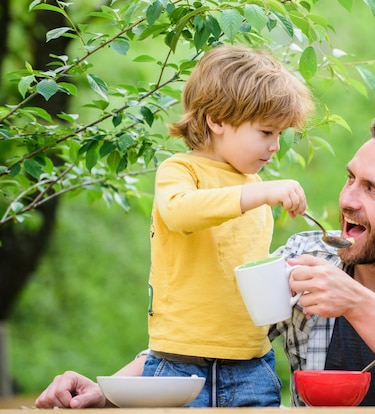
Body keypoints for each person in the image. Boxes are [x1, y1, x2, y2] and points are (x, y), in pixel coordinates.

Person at [35, 110, 375, 409]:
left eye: (372, 190)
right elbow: (214, 338)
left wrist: (357, 304)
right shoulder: (306, 257)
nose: (348, 199)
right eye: (351, 179)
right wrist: (111, 392)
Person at [134, 44, 311, 408]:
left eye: (280, 135)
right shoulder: (181, 171)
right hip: (179, 366)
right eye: (266, 132)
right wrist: (259, 196)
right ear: (216, 120)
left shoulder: (255, 187)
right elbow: (180, 213)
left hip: (251, 365)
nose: (275, 146)